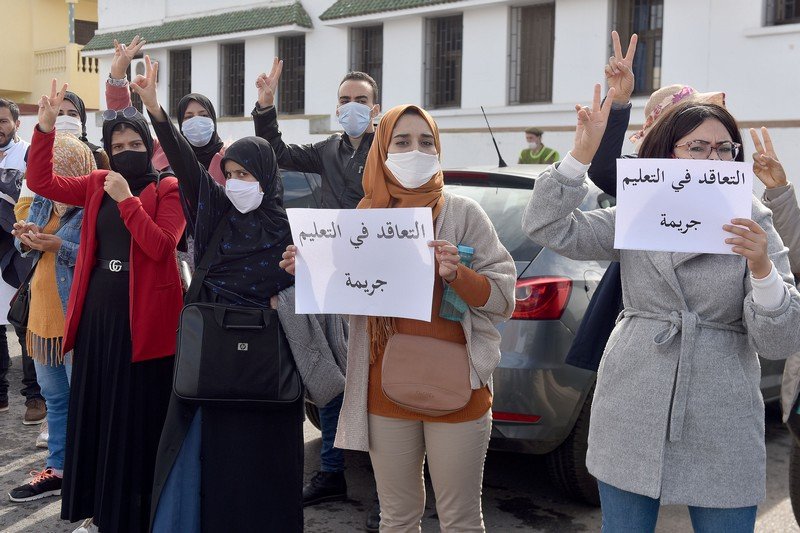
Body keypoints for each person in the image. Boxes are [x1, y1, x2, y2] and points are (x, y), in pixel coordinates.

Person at [522, 84, 800, 532]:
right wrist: (578, 155)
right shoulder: (642, 207)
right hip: (634, 395)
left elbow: (780, 338)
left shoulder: (753, 218)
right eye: (697, 147)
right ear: (669, 154)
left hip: (721, 406)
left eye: (724, 149)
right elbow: (548, 225)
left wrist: (763, 266)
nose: (714, 159)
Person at [281, 104, 517, 532]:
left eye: (426, 142)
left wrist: (458, 275)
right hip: (382, 389)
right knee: (397, 517)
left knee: (461, 519)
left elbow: (502, 299)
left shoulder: (463, 214)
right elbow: (347, 298)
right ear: (382, 151)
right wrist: (312, 269)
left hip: (458, 387)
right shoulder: (361, 221)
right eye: (402, 142)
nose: (416, 151)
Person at [128, 55, 303, 533]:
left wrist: (294, 286)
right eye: (231, 174)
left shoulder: (293, 229)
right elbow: (186, 166)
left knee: (264, 467)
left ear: (266, 177)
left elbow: (321, 293)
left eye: (247, 174)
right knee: (208, 463)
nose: (237, 183)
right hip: (214, 357)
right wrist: (156, 113)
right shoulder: (212, 213)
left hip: (270, 362)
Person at [27, 79, 185, 533]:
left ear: (149, 145)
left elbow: (160, 247)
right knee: (97, 413)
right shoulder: (98, 181)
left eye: (137, 142)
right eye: (118, 144)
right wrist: (44, 128)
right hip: (99, 316)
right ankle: (102, 512)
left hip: (144, 327)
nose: (128, 150)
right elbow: (41, 181)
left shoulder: (167, 188)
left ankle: (137, 513)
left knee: (136, 421)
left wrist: (128, 201)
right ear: (108, 150)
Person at [254, 57, 381, 522]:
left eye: (361, 101)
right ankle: (331, 471)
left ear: (376, 108)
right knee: (331, 376)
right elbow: (276, 151)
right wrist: (265, 106)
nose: (352, 107)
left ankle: (389, 495)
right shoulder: (328, 150)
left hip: (382, 280)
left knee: (378, 386)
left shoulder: (390, 148)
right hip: (331, 277)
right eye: (345, 100)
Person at [7, 133, 94, 503]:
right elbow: (21, 245)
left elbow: (101, 256)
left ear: (77, 170)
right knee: (56, 400)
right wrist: (24, 237)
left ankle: (88, 472)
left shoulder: (96, 203)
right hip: (42, 321)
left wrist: (61, 247)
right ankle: (58, 469)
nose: (53, 178)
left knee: (84, 400)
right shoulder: (43, 199)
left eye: (61, 171)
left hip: (77, 320)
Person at [105, 36, 226, 184]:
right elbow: (126, 124)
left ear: (213, 119)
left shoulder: (229, 158)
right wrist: (118, 74)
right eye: (188, 117)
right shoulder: (161, 151)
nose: (196, 120)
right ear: (180, 123)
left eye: (203, 115)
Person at [0, 97, 45, 425]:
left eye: (3, 120)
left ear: (16, 123)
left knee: (24, 324)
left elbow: (31, 200)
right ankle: (0, 394)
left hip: (19, 253)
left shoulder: (29, 153)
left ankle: (34, 396)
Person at [57, 90, 111, 170]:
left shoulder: (97, 154)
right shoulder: (38, 152)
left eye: (72, 114)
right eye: (59, 114)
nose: (65, 119)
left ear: (82, 119)